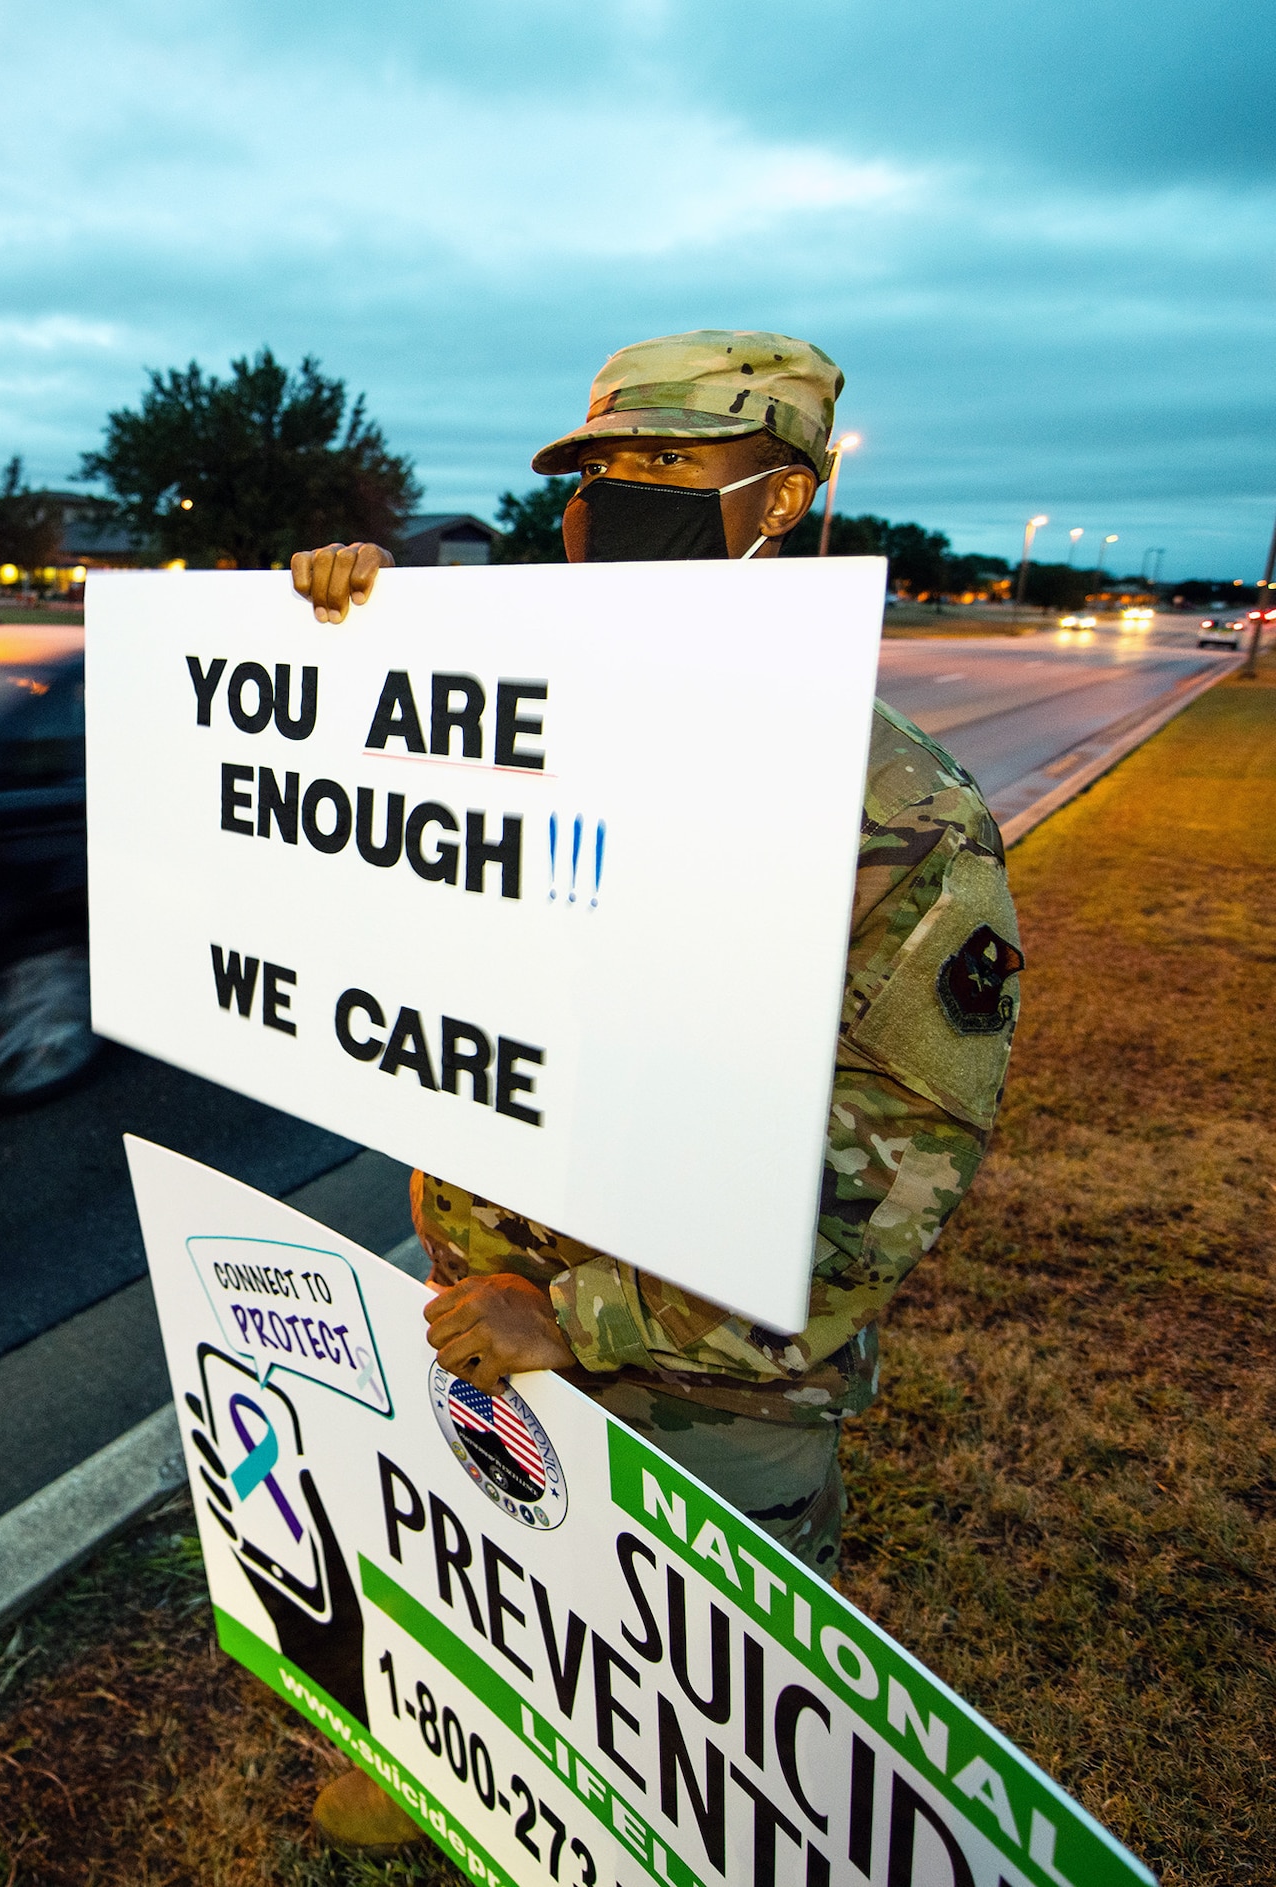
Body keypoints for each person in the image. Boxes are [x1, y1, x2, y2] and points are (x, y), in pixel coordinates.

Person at [291, 330, 1025, 1850]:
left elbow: (892, 1175)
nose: (622, 505)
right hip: (477, 1308)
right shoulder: (508, 714)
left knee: (675, 1763)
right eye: (600, 478)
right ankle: (454, 1764)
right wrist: (326, 656)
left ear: (781, 504)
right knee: (487, 1600)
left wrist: (584, 1320)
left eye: (674, 473)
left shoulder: (900, 813)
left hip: (704, 1396)